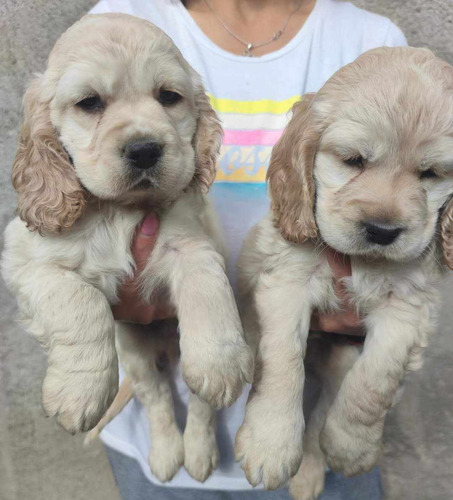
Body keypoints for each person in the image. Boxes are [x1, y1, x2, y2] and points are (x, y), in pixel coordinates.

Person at [88, 1, 407, 498]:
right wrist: (107, 299)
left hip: (317, 432)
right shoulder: (124, 17)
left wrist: (378, 307)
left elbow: (407, 250)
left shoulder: (368, 40)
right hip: (156, 432)